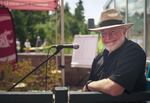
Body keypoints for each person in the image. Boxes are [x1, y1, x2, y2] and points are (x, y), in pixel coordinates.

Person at [83, 9, 146, 96]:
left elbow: (114, 89)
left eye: (113, 32)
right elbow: (88, 91)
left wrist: (89, 85)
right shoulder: (98, 58)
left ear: (124, 31)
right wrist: (90, 86)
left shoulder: (134, 51)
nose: (108, 38)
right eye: (104, 34)